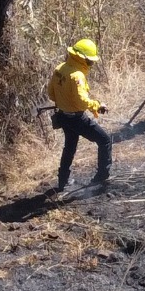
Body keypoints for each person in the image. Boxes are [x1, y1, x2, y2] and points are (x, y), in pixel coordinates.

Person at [49, 38, 110, 190]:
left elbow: (51, 93)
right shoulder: (77, 76)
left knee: (69, 147)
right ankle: (101, 177)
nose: (91, 64)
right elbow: (82, 101)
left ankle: (62, 181)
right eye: (90, 61)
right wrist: (97, 105)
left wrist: (65, 102)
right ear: (82, 59)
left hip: (63, 116)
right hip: (76, 118)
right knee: (105, 140)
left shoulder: (60, 68)